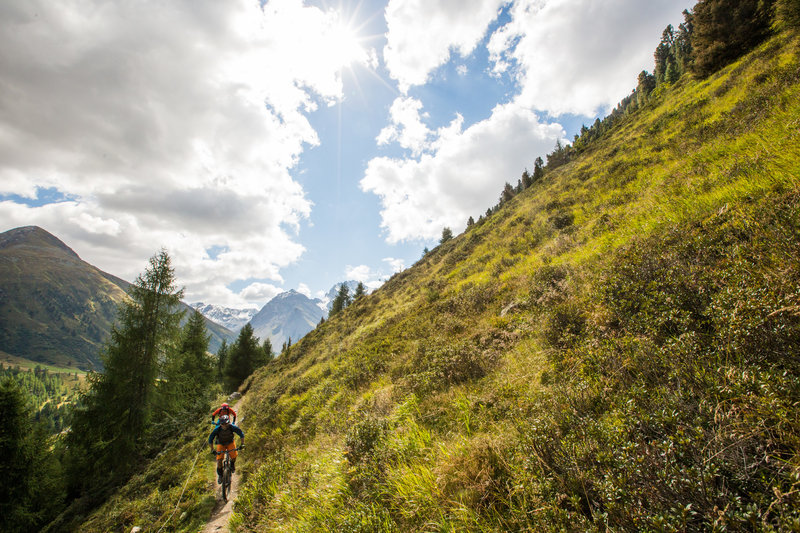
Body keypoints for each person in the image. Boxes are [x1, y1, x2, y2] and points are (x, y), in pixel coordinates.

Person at [208, 415, 244, 483]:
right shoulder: (217, 429)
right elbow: (210, 439)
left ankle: (232, 464)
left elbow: (241, 434)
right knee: (219, 461)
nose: (224, 425)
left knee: (234, 456)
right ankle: (220, 476)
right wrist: (212, 449)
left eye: (226, 424)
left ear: (228, 423)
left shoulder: (232, 427)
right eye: (222, 424)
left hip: (230, 442)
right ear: (220, 424)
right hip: (221, 444)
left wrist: (242, 444)